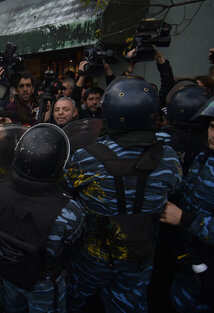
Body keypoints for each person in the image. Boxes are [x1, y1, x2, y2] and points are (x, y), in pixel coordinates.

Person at [65, 76, 182, 313]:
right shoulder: (168, 157)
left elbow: (66, 190)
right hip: (139, 255)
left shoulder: (85, 157)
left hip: (92, 256)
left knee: (74, 301)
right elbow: (174, 188)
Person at [0, 123, 84, 313]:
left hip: (7, 272)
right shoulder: (69, 211)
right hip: (43, 283)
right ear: (60, 166)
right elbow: (72, 243)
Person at [159, 99, 214, 313]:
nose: (213, 134)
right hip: (188, 261)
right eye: (212, 127)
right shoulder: (204, 157)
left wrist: (186, 219)